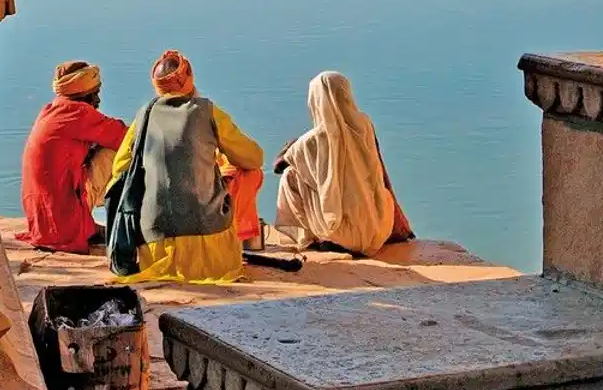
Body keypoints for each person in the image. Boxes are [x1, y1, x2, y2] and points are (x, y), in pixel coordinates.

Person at [107, 50, 264, 283]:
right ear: (189, 78)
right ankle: (244, 237)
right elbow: (253, 158)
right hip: (208, 240)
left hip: (154, 241)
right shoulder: (207, 111)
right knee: (252, 173)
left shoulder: (144, 115)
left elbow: (120, 167)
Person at [273, 71, 415, 257]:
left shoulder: (313, 140)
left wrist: (290, 147)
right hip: (379, 227)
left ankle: (314, 236)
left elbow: (278, 167)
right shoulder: (364, 125)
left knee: (290, 176)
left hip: (344, 234)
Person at [17, 61, 129, 254]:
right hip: (64, 225)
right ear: (86, 95)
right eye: (96, 94)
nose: (98, 101)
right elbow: (125, 137)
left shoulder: (50, 110)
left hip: (42, 224)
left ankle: (88, 225)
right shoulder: (79, 112)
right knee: (122, 152)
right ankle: (126, 226)